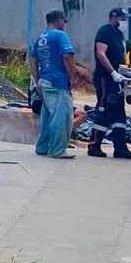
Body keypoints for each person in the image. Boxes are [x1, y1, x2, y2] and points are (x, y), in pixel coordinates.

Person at [88, 7, 131, 159]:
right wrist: (112, 72)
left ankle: (120, 147)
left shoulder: (119, 34)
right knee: (105, 110)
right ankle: (94, 145)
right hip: (105, 78)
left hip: (118, 79)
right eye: (122, 18)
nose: (124, 21)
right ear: (114, 17)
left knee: (119, 113)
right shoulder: (105, 32)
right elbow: (101, 54)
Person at [30, 9, 76, 159]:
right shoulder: (60, 35)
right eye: (63, 21)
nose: (64, 24)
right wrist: (72, 77)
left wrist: (37, 81)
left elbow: (33, 60)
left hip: (44, 81)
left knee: (48, 116)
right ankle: (57, 150)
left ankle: (43, 146)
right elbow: (67, 57)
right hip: (58, 82)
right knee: (61, 117)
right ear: (59, 20)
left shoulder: (40, 38)